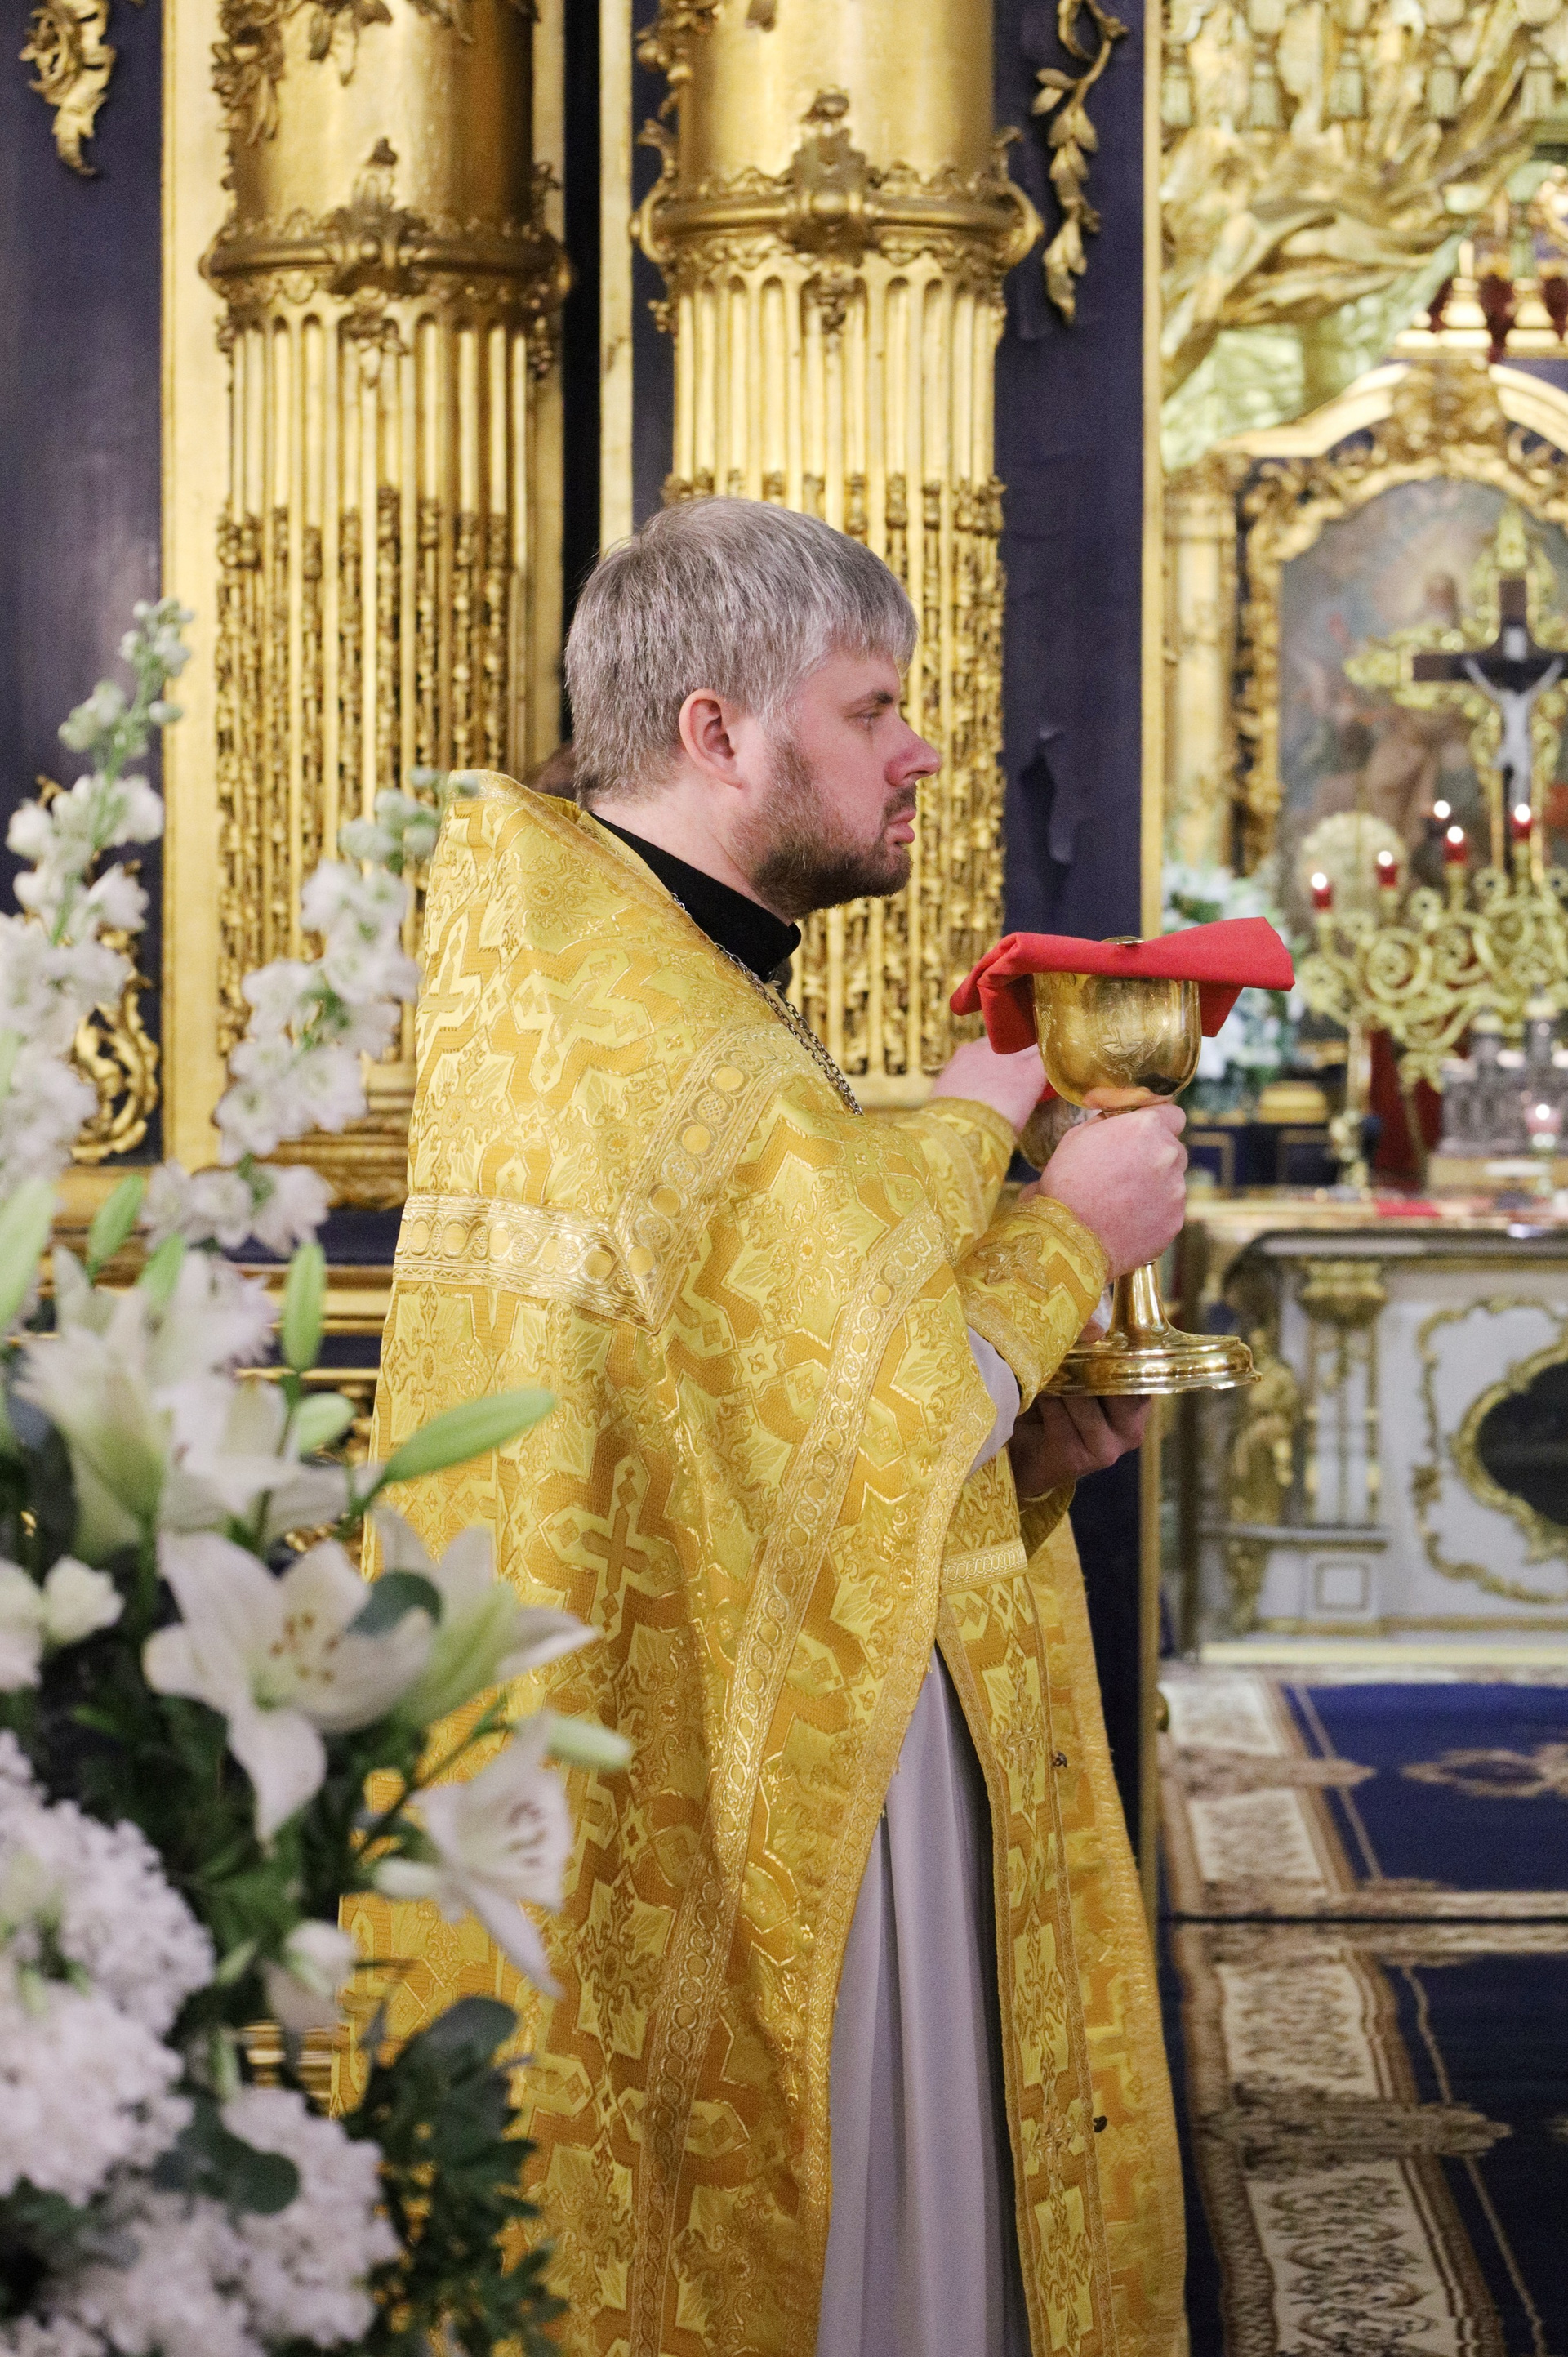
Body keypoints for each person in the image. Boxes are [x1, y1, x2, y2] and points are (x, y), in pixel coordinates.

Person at [371, 498, 1187, 2357]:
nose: (923, 752)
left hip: (759, 1743)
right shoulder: (649, 1015)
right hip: (736, 1816)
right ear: (718, 730)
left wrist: (1016, 1458)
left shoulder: (635, 967)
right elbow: (847, 1381)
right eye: (874, 708)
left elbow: (779, 1430)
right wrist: (1070, 1231)